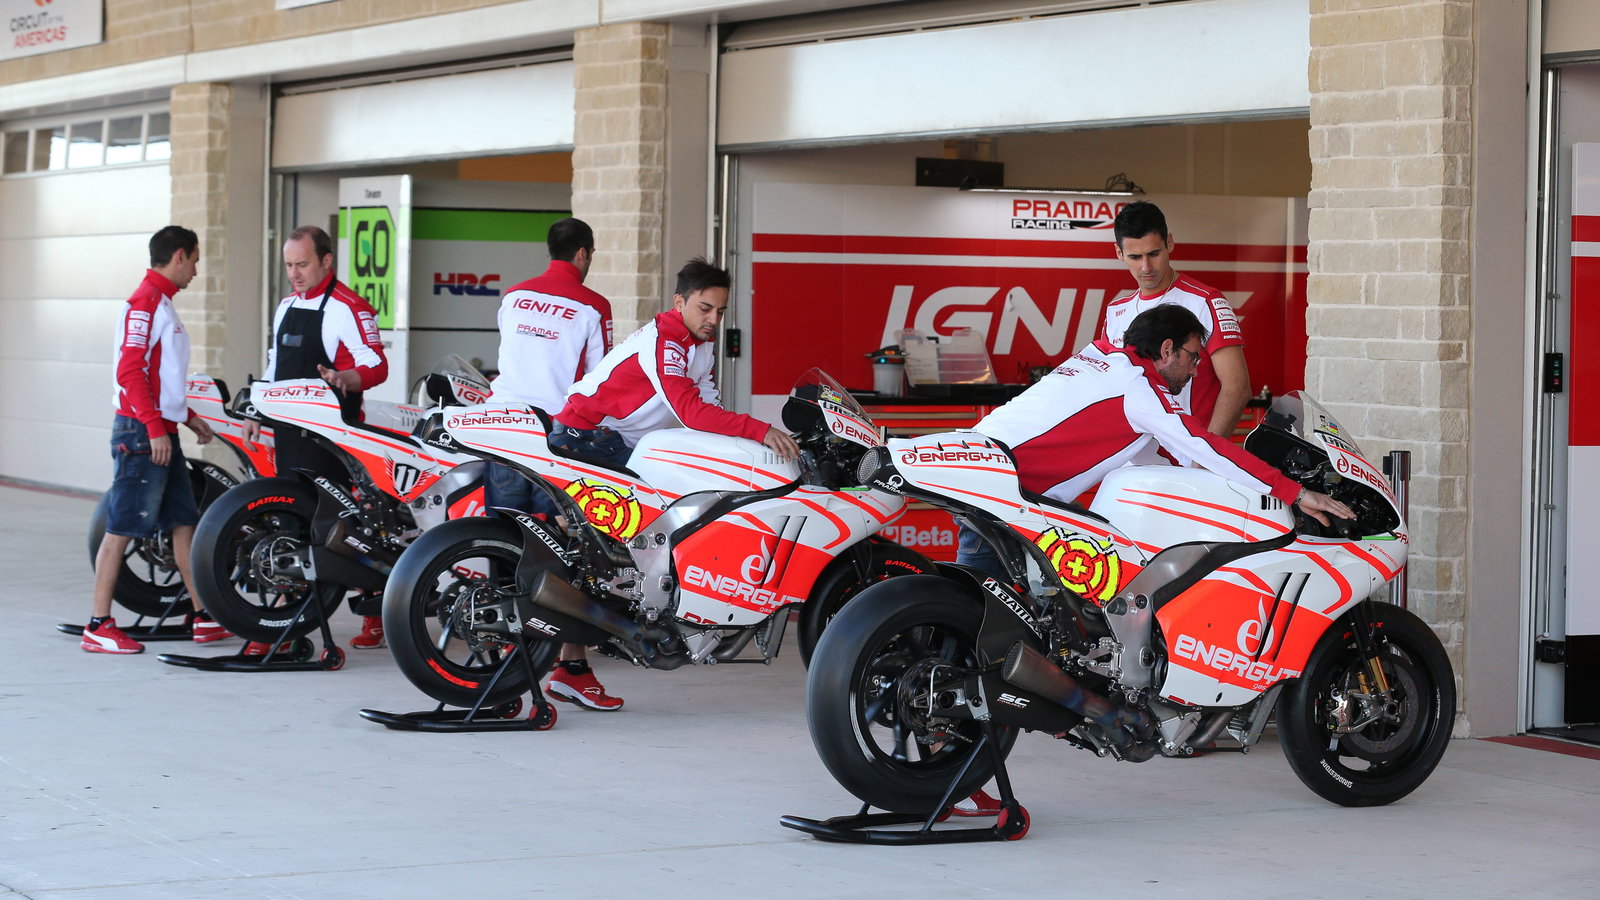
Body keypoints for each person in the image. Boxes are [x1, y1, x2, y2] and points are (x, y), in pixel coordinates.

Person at [486, 217, 622, 711]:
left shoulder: (514, 297)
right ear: (583, 254)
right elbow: (597, 379)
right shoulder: (593, 305)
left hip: (501, 428)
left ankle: (503, 668)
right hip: (553, 439)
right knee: (568, 551)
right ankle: (571, 667)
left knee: (503, 547)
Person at [85, 226, 233, 653]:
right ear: (180, 256)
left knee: (184, 523)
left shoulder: (162, 304)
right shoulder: (145, 304)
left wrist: (186, 418)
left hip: (160, 431)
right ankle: (98, 624)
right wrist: (153, 427)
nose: (197, 272)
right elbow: (129, 373)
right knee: (121, 527)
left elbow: (160, 378)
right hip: (141, 433)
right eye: (196, 262)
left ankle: (202, 617)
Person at [243, 224, 389, 649]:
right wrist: (257, 408)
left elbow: (377, 365)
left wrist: (345, 377)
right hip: (289, 435)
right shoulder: (286, 305)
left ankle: (376, 606)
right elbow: (274, 364)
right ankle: (285, 626)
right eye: (289, 265)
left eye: (302, 264)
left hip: (332, 439)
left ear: (327, 260)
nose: (295, 273)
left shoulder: (347, 307)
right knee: (289, 524)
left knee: (340, 528)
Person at [553, 257, 799, 467]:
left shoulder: (701, 341)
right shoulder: (665, 340)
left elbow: (708, 405)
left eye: (720, 311)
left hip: (613, 439)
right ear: (679, 303)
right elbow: (691, 413)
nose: (714, 319)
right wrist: (760, 431)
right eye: (705, 309)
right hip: (584, 435)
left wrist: (746, 444)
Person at [1099, 201, 1251, 439]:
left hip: (1187, 461)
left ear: (1169, 243)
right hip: (1134, 462)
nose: (1146, 266)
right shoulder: (1115, 311)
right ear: (1119, 253)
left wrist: (1205, 455)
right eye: (1135, 257)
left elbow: (1237, 387)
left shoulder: (1206, 301)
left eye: (1154, 253)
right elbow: (1108, 389)